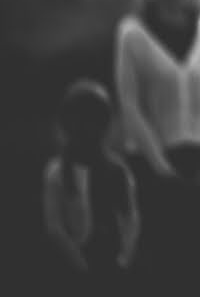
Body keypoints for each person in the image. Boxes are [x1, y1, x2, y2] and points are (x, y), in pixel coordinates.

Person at [114, 0, 200, 297]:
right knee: (162, 271)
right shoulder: (132, 35)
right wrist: (160, 167)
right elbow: (129, 105)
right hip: (152, 170)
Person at [43, 80, 139, 297]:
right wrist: (79, 264)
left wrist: (124, 258)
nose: (88, 128)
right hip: (71, 268)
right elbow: (54, 227)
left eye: (95, 121)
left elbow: (130, 217)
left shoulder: (118, 170)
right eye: (82, 121)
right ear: (69, 125)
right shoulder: (56, 172)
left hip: (109, 263)